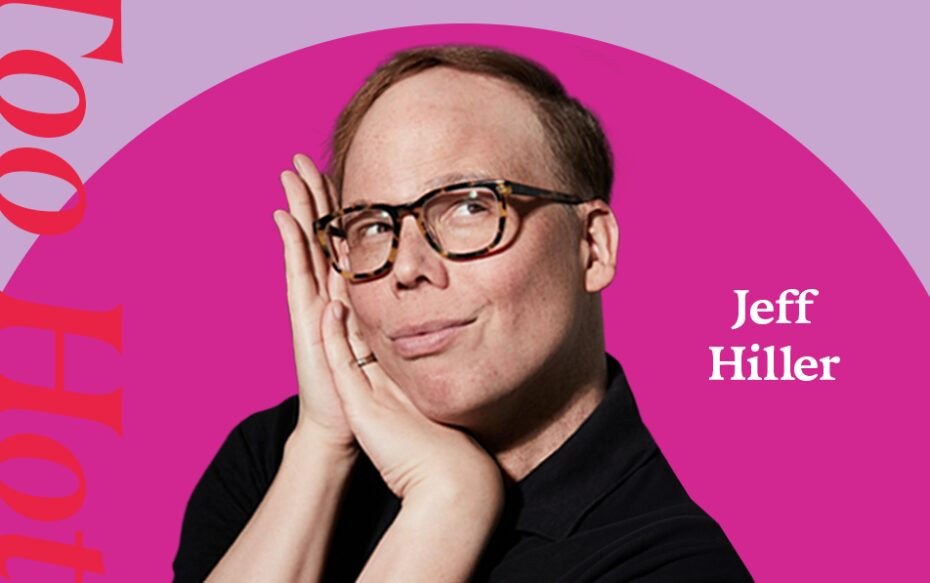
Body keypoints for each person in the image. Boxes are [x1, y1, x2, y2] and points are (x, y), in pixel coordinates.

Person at [172, 44, 752, 582]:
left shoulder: (674, 563)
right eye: (374, 226)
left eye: (471, 206)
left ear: (593, 247)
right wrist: (325, 448)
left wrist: (446, 502)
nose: (407, 268)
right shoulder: (276, 456)